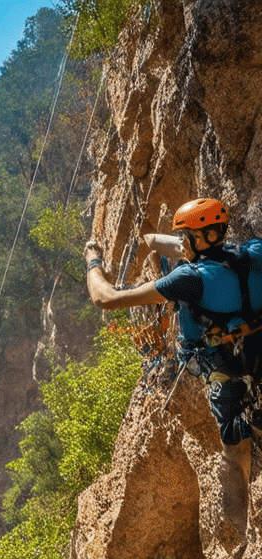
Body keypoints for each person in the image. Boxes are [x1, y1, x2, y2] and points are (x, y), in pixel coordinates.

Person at [84, 197, 262, 526]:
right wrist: (151, 243)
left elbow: (104, 298)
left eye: (185, 238)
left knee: (235, 452)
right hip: (256, 345)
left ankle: (238, 534)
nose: (182, 243)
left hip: (219, 364)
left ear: (197, 238)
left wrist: (93, 262)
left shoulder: (187, 280)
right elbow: (194, 252)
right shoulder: (253, 251)